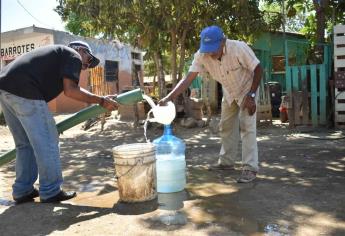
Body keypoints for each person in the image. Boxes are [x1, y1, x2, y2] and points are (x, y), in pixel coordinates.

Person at [0, 41, 118, 203]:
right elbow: (71, 90)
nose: (85, 67)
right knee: (48, 141)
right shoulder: (72, 54)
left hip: (5, 87)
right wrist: (101, 101)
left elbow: (66, 89)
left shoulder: (55, 57)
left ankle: (23, 190)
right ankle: (50, 191)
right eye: (89, 60)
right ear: (80, 50)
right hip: (25, 89)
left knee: (25, 144)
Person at [160, 25, 263, 183]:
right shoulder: (202, 55)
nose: (210, 53)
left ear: (223, 42)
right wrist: (169, 97)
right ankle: (226, 163)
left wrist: (252, 94)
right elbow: (188, 78)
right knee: (226, 126)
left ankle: (250, 168)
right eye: (207, 49)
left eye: (214, 49)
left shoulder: (238, 48)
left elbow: (258, 68)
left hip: (247, 90)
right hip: (229, 92)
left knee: (247, 127)